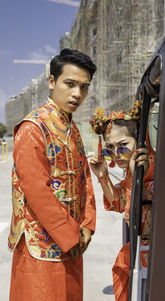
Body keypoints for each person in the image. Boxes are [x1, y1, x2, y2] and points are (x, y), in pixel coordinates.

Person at [8, 48, 97, 301]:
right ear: (51, 82)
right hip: (41, 248)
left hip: (73, 244)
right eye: (70, 84)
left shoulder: (71, 128)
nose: (77, 93)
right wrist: (72, 234)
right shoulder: (32, 128)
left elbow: (85, 180)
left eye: (84, 87)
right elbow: (37, 192)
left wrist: (88, 225)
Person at [89, 101, 154, 301]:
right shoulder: (132, 171)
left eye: (123, 145)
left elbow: (146, 207)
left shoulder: (154, 168)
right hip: (140, 250)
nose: (116, 154)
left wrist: (137, 178)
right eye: (109, 147)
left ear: (140, 140)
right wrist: (103, 177)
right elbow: (119, 202)